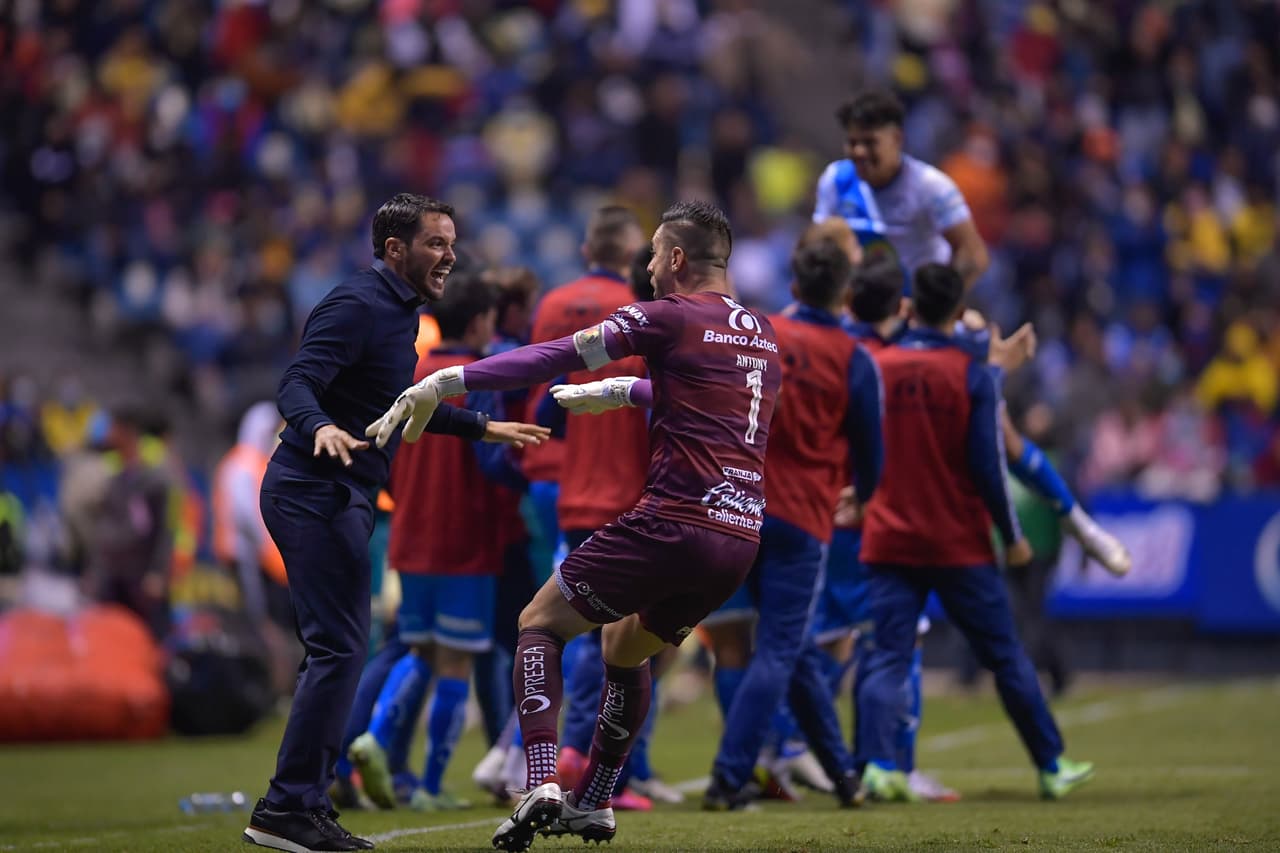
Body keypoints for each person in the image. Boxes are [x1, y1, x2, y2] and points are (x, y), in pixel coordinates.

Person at [366, 201, 782, 851]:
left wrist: (450, 380)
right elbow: (709, 405)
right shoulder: (760, 332)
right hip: (737, 536)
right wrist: (622, 392)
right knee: (624, 647)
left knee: (538, 621)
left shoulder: (668, 315)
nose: (647, 266)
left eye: (654, 254)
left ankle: (538, 779)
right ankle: (593, 800)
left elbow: (554, 356)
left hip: (673, 520)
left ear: (676, 258)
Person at [242, 193, 548, 853]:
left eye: (452, 243)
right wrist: (319, 427)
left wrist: (481, 426)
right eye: (436, 243)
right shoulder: (358, 304)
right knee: (338, 649)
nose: (450, 256)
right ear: (394, 249)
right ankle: (288, 807)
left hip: (339, 492)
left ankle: (300, 803)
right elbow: (296, 383)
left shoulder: (401, 311)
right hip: (312, 488)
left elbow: (396, 405)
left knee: (341, 650)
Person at [814, 88, 1131, 579]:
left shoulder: (931, 187)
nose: (858, 152)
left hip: (925, 319)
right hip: (867, 317)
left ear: (897, 139)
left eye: (868, 142)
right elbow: (822, 251)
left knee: (1000, 434)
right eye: (851, 142)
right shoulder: (835, 181)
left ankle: (1081, 527)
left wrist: (929, 307)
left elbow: (974, 256)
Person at [855, 263, 1095, 802]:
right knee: (1006, 655)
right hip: (957, 541)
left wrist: (864, 495)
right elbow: (989, 465)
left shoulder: (877, 366)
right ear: (959, 312)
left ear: (911, 308)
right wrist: (1011, 535)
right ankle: (1051, 764)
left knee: (887, 657)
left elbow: (863, 443)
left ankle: (879, 766)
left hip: (890, 536)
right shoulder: (972, 375)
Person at [698, 236, 882, 811]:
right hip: (803, 517)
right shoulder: (853, 357)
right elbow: (871, 449)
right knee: (779, 649)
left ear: (795, 284)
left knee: (790, 648)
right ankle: (729, 776)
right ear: (844, 293)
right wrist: (865, 496)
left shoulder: (760, 333)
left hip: (736, 505)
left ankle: (842, 775)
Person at [349, 274, 530, 813]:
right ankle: (430, 785)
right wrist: (528, 470)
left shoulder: (412, 373)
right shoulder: (477, 379)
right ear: (478, 323)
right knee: (455, 664)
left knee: (420, 650)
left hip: (411, 535)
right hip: (463, 541)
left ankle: (374, 738)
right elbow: (491, 462)